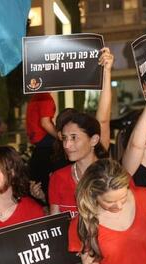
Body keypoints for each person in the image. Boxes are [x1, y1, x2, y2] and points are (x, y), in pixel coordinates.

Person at [69, 159, 146, 264]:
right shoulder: (83, 223)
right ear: (93, 194)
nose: (119, 206)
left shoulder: (144, 197)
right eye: (110, 201)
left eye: (123, 197)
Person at [49, 47, 114, 215]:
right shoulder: (58, 178)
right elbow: (55, 227)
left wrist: (106, 73)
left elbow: (104, 119)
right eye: (64, 138)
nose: (67, 144)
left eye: (73, 137)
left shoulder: (113, 176)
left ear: (94, 140)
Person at [26, 92, 56, 199]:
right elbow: (45, 123)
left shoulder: (35, 97)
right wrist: (61, 137)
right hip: (44, 141)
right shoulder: (45, 98)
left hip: (37, 142)